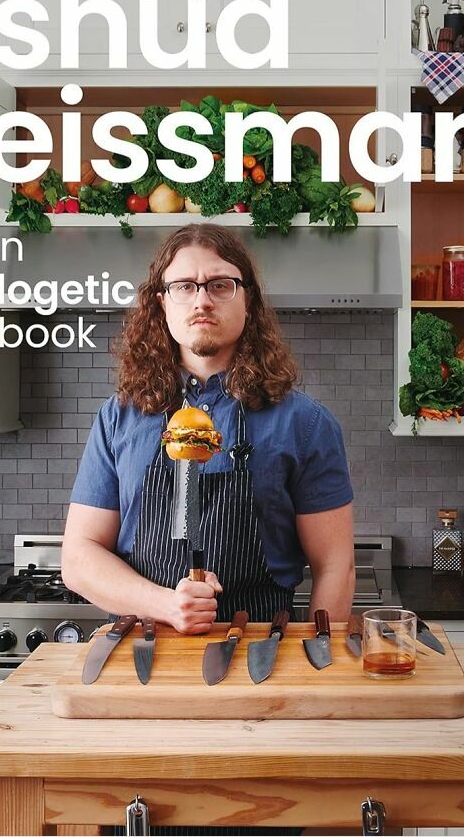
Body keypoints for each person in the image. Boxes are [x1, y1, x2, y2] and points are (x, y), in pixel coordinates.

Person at [63, 223, 355, 630]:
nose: (202, 300)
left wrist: (320, 661)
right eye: (184, 286)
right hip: (144, 650)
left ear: (247, 300)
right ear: (162, 303)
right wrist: (166, 605)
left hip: (260, 653)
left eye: (220, 285)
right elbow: (79, 557)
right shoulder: (118, 417)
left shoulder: (305, 423)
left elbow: (335, 566)